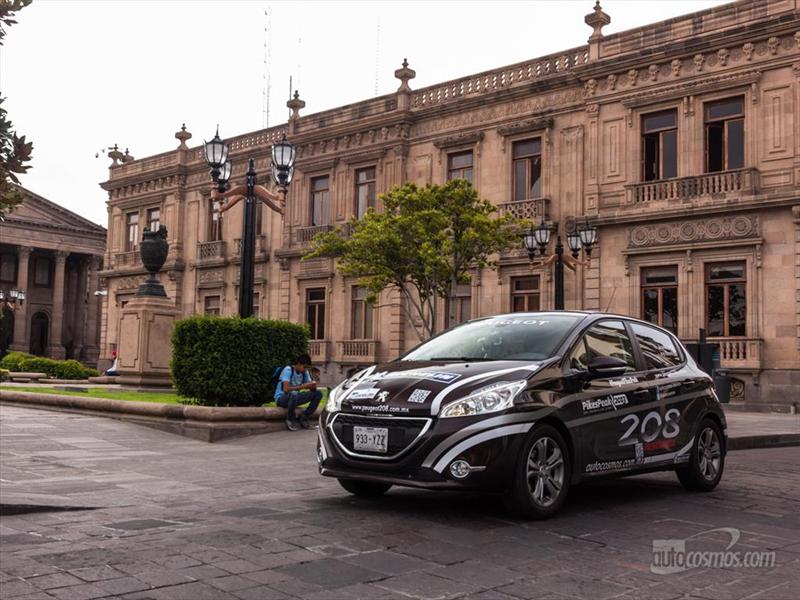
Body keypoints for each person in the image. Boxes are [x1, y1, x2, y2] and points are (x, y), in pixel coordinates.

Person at [274, 354, 322, 431]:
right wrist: (303, 386)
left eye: (307, 368)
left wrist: (313, 386)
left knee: (318, 394)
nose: (306, 369)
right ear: (299, 364)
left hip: (294, 398)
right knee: (294, 393)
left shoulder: (304, 372)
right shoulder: (288, 370)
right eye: (305, 367)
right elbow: (286, 389)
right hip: (281, 398)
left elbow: (311, 388)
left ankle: (304, 417)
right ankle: (290, 419)